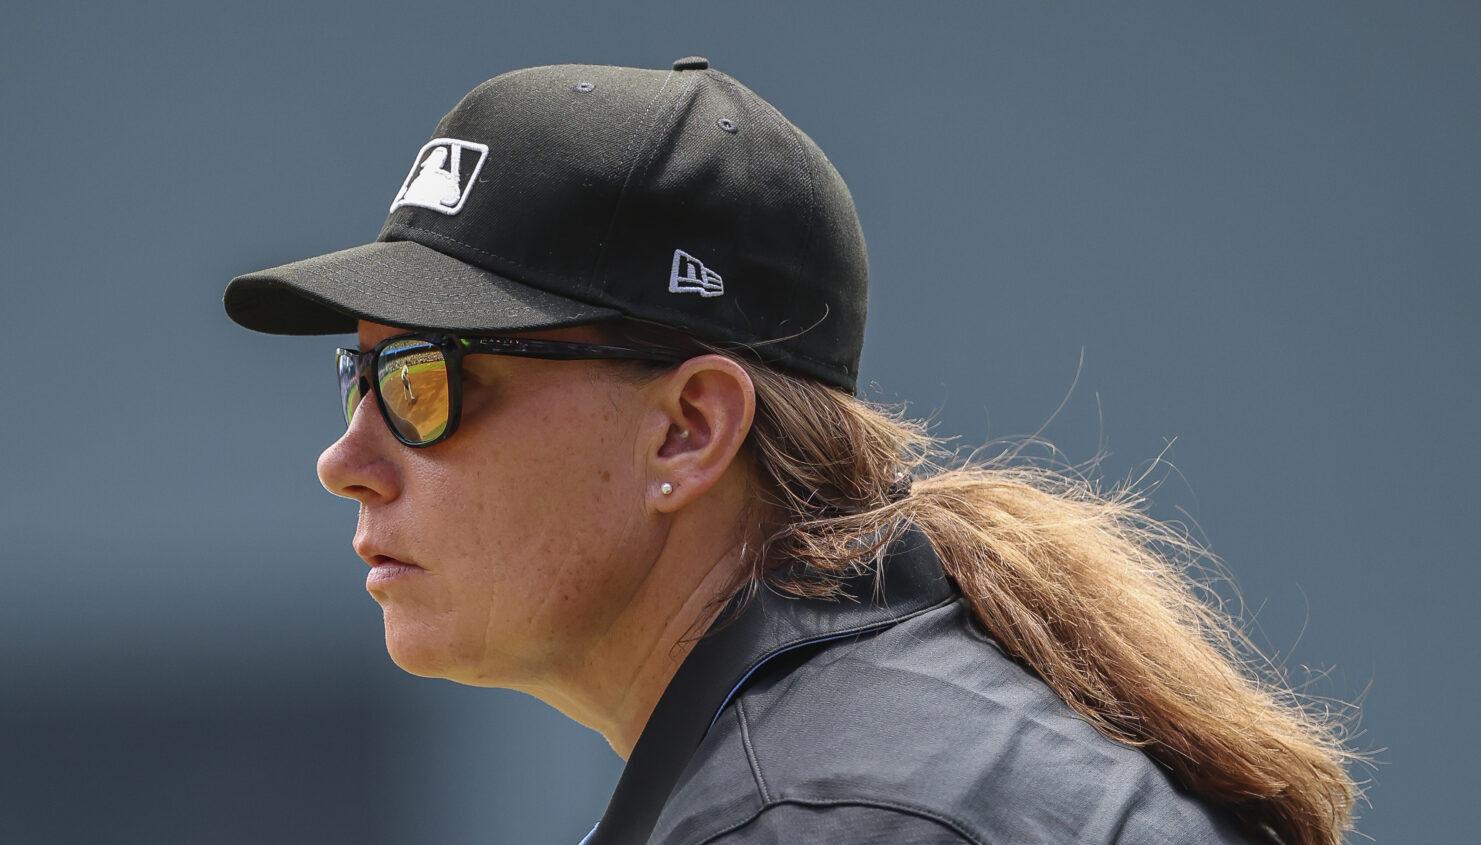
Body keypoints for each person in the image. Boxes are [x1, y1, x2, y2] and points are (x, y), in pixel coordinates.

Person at [224, 58, 1360, 844]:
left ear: (690, 427)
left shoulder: (817, 810)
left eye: (422, 381)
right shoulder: (868, 752)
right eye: (357, 377)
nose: (349, 456)